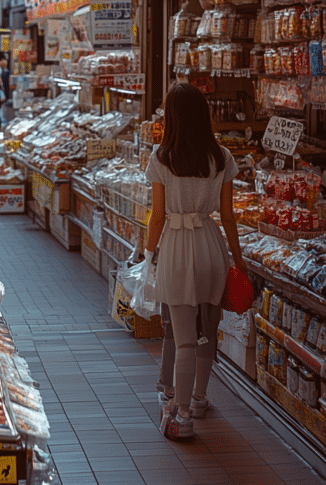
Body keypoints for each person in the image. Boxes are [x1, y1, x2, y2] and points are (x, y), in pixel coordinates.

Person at [144, 82, 248, 440]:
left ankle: (182, 414)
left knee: (185, 337)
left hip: (176, 247)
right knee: (208, 332)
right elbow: (229, 216)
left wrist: (146, 255)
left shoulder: (160, 159)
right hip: (211, 246)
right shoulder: (221, 157)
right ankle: (200, 398)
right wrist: (238, 258)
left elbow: (157, 217)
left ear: (171, 118)